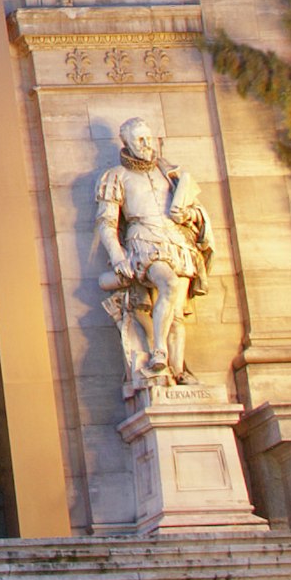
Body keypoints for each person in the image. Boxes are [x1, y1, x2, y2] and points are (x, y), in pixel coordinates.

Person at [94, 116, 212, 397]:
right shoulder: (115, 176)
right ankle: (159, 352)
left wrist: (190, 214)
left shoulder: (169, 173)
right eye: (140, 140)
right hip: (144, 240)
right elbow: (107, 223)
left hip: (177, 241)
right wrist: (118, 256)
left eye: (149, 138)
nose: (147, 145)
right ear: (127, 143)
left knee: (178, 315)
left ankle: (178, 370)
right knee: (168, 284)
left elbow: (195, 211)